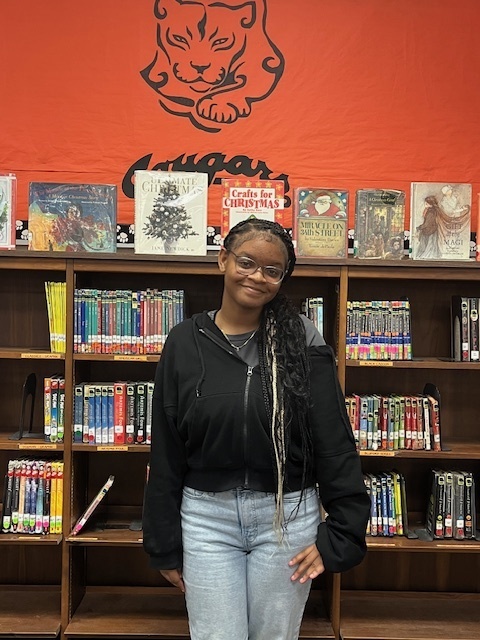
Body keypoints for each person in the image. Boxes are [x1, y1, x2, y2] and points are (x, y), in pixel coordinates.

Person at [143, 218, 370, 640]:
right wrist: (163, 542)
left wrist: (342, 532)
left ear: (282, 279)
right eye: (247, 262)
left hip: (287, 519)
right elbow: (167, 450)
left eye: (272, 270)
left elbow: (334, 440)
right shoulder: (183, 341)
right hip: (206, 520)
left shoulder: (302, 339)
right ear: (223, 260)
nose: (258, 277)